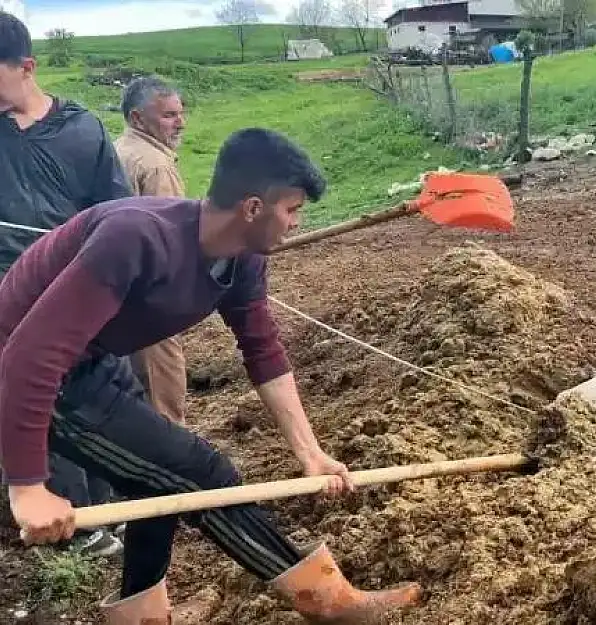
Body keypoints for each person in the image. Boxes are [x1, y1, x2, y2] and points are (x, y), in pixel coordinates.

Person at [0, 127, 423, 623]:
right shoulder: (136, 236)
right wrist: (27, 485)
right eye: (291, 209)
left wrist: (309, 452)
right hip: (28, 369)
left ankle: (141, 617)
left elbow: (262, 350)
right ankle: (331, 605)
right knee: (201, 475)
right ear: (251, 208)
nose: (295, 223)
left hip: (91, 361)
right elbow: (28, 355)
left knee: (156, 483)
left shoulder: (242, 261)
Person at [0, 10, 128, 557]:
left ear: (25, 67)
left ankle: (112, 505)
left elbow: (118, 210)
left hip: (77, 288)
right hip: (8, 294)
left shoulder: (83, 129)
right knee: (35, 397)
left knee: (99, 387)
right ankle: (71, 524)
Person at [113, 75, 189, 425]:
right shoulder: (155, 166)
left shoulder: (116, 151)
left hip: (113, 297)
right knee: (164, 399)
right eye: (169, 115)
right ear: (137, 119)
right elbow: (173, 240)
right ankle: (170, 476)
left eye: (180, 113)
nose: (180, 122)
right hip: (150, 300)